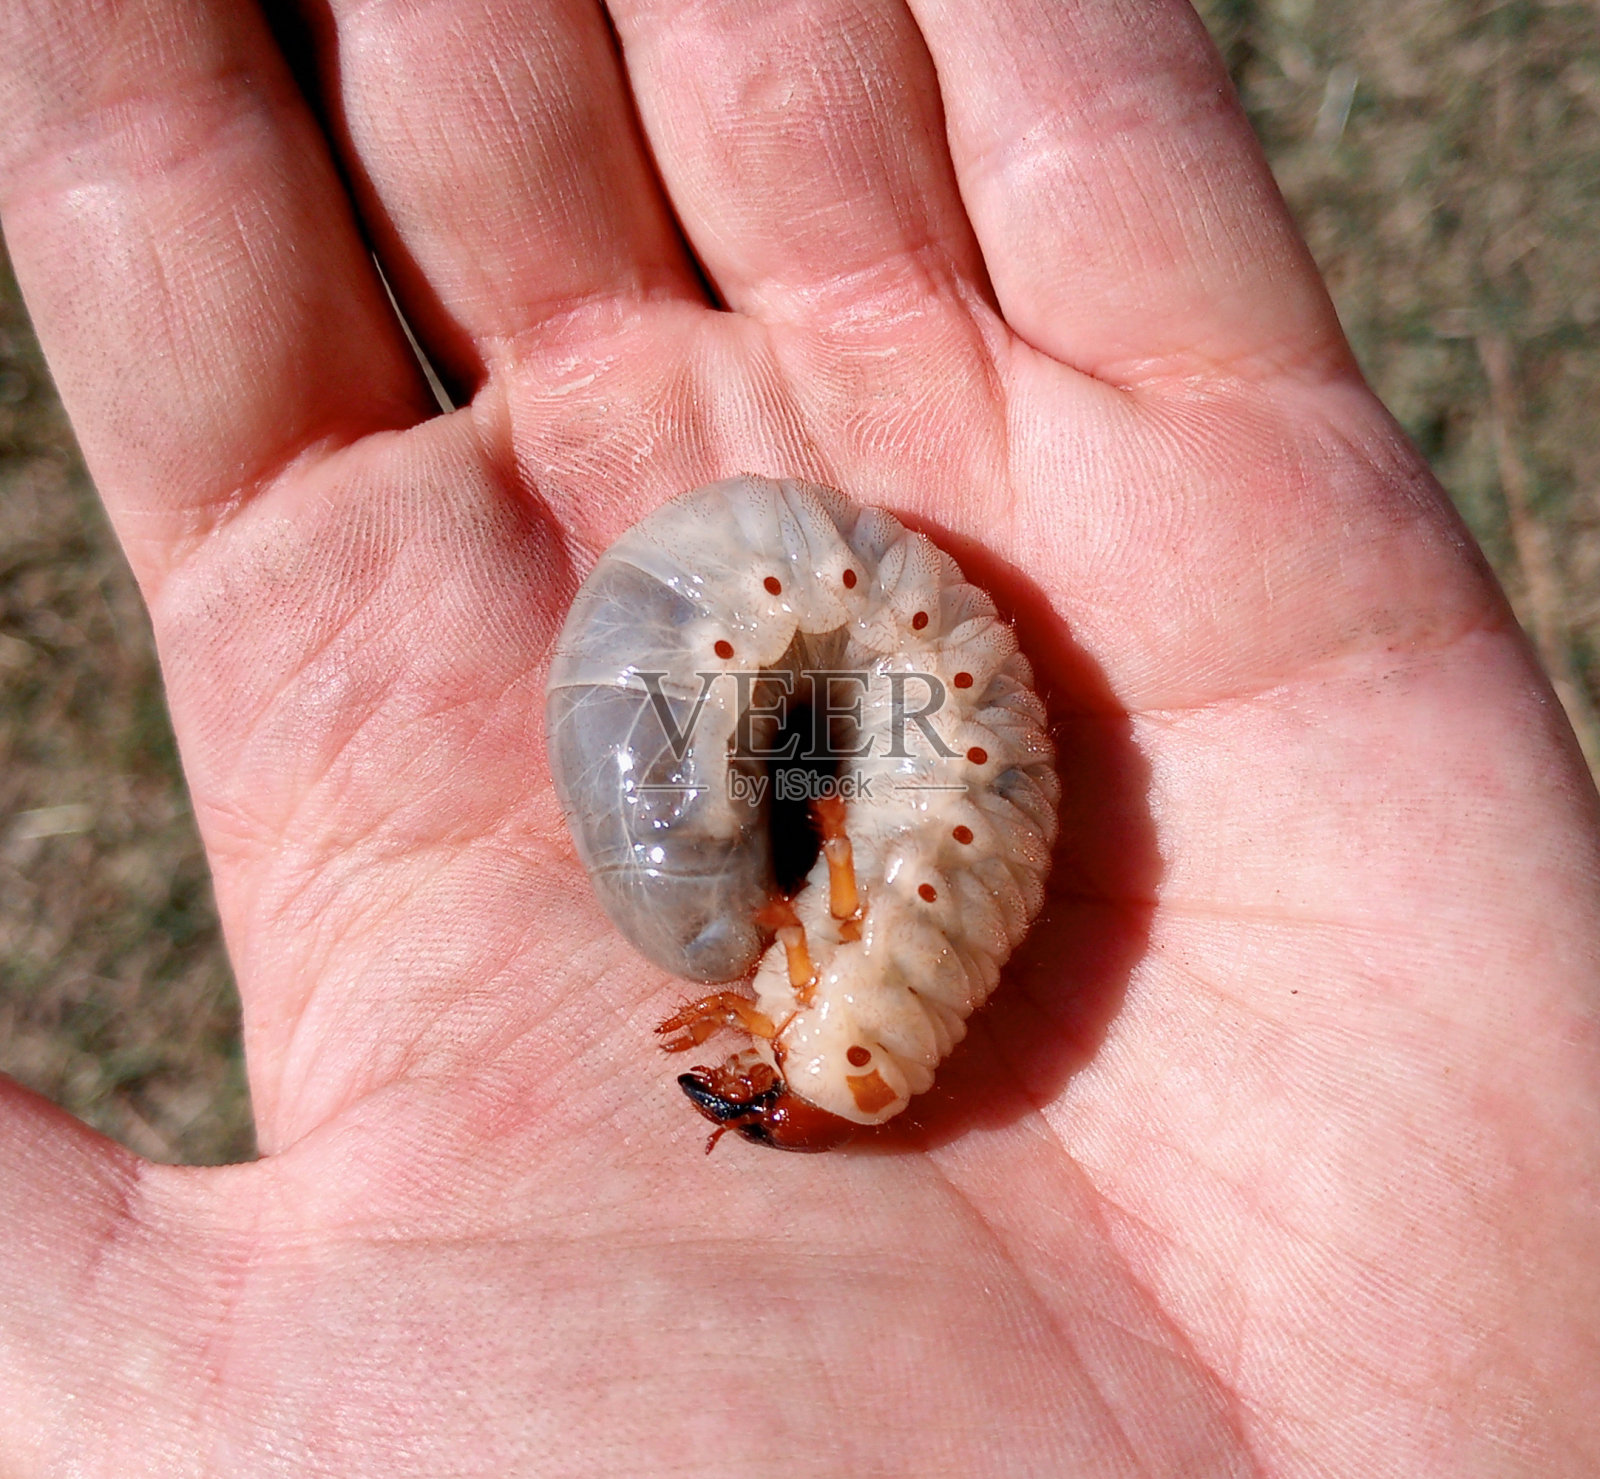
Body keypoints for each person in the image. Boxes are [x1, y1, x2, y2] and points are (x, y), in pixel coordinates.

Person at [2, 1, 1596, 1472]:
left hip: (815, 622)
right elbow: (862, 824)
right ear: (848, 988)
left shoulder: (870, 848)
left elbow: (850, 836)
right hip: (829, 624)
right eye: (791, 1041)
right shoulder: (876, 781)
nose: (748, 1021)